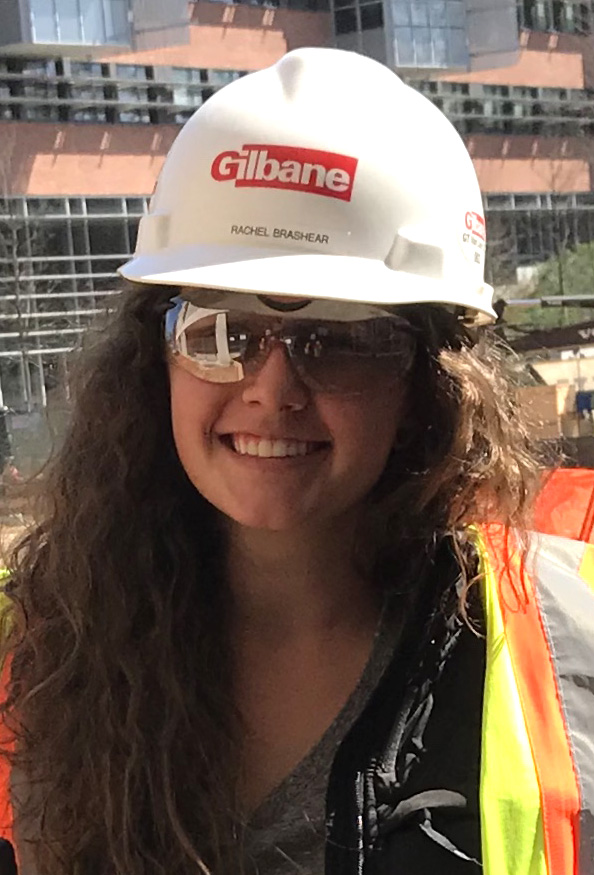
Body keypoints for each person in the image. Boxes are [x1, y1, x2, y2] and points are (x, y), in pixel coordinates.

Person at [0, 47, 592, 875]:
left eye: (341, 342)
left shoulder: (569, 646)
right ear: (156, 362)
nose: (272, 388)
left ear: (428, 382)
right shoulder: (48, 644)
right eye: (222, 334)